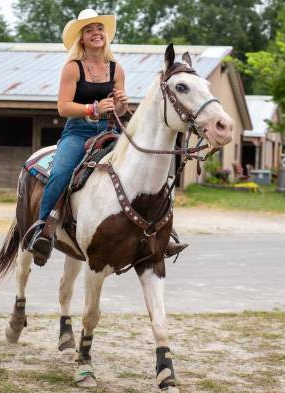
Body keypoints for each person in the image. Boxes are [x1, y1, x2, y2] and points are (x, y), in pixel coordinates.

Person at [28, 8, 188, 265]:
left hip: (111, 131)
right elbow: (63, 107)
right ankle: (43, 229)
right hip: (78, 132)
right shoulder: (73, 68)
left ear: (105, 34)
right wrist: (93, 108)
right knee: (60, 171)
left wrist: (122, 105)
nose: (96, 33)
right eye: (89, 30)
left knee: (146, 167)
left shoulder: (116, 69)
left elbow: (120, 110)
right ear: (82, 38)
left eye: (99, 29)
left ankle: (161, 231)